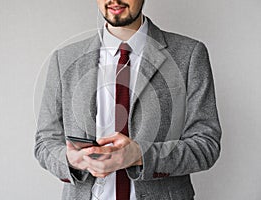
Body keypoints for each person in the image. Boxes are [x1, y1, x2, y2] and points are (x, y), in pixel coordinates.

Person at [34, 0, 222, 199]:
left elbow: (206, 145)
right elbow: (45, 142)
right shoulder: (63, 59)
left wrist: (140, 155)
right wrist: (71, 160)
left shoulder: (190, 54)